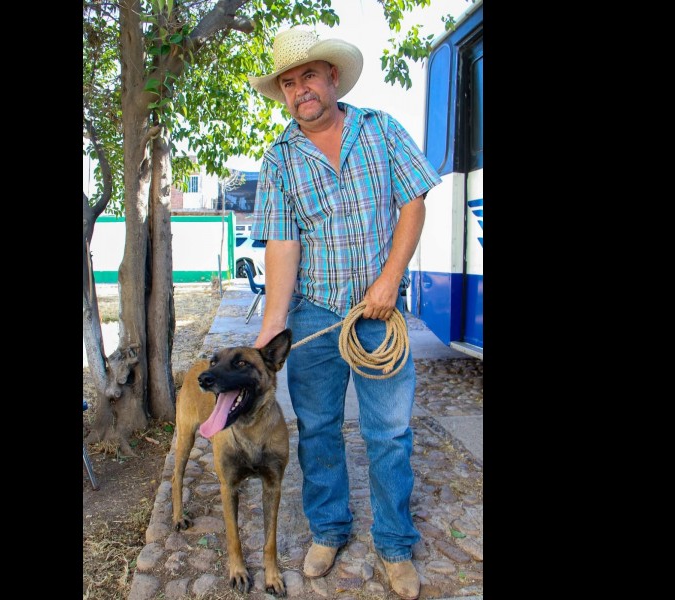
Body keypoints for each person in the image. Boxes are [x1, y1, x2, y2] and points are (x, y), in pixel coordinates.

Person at [246, 26, 442, 600]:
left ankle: (395, 544)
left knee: (389, 432)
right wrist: (272, 326)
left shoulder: (380, 129)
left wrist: (389, 281)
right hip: (313, 313)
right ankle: (329, 530)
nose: (300, 90)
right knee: (319, 432)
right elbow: (283, 244)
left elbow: (413, 203)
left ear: (332, 76)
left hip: (379, 315)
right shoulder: (280, 159)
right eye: (288, 83)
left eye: (308, 75)